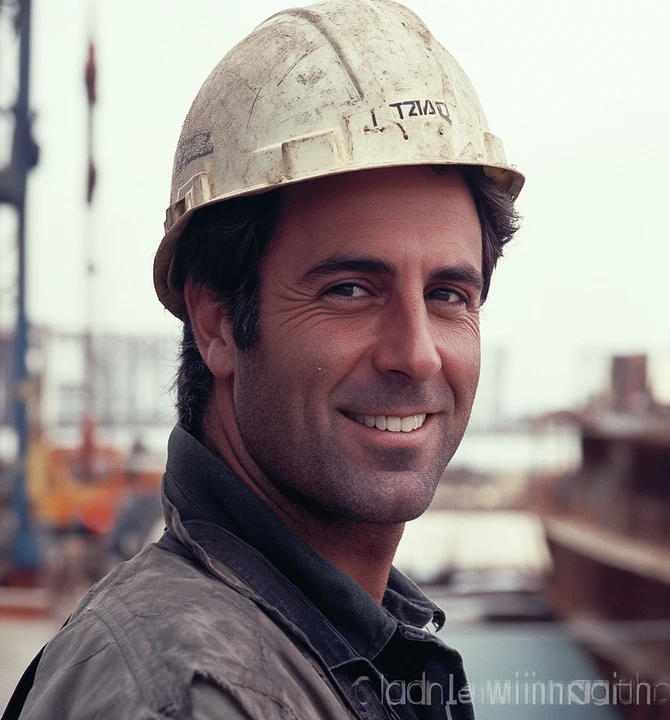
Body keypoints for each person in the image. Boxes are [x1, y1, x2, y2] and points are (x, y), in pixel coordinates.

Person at [5, 1, 523, 718]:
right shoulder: (190, 698)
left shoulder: (337, 650)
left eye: (448, 295)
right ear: (215, 318)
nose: (417, 353)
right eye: (350, 289)